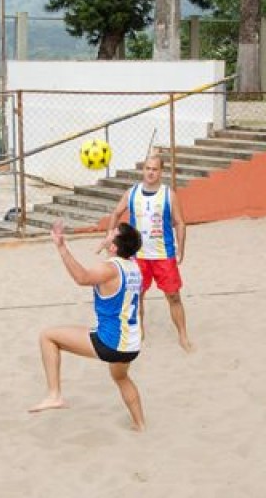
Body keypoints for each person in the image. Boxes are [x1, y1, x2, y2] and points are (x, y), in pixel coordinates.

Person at [29, 219, 147, 432]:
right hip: (132, 343)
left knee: (48, 336)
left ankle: (54, 395)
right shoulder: (135, 268)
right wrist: (107, 245)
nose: (109, 232)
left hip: (110, 342)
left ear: (114, 247)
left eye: (112, 233)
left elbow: (82, 278)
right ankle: (140, 424)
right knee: (121, 377)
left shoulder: (109, 269)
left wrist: (62, 247)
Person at [100, 153, 192, 353]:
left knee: (174, 296)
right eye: (148, 168)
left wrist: (181, 247)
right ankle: (139, 333)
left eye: (155, 169)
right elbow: (116, 213)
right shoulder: (132, 193)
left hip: (163, 255)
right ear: (143, 170)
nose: (151, 172)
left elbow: (179, 222)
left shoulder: (168, 194)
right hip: (138, 256)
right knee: (137, 297)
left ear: (161, 171)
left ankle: (183, 336)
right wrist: (110, 238)